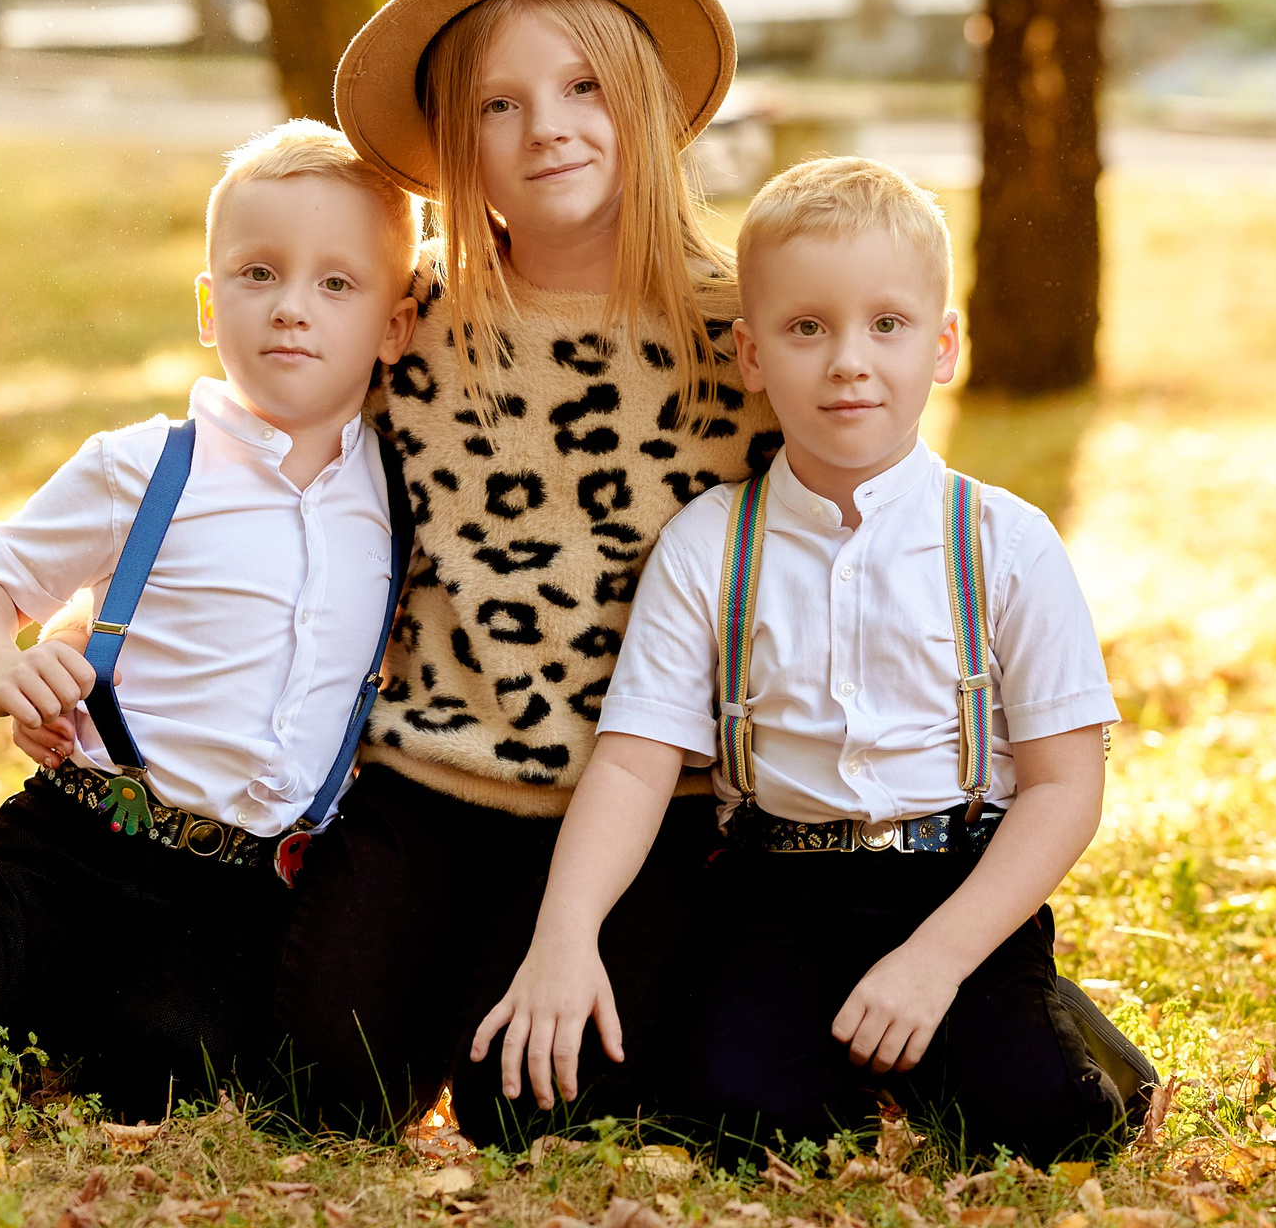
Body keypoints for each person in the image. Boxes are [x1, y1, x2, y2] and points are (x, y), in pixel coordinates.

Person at [472, 156, 1140, 1161]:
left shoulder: (1002, 539)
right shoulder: (711, 544)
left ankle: (1017, 1026)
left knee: (1046, 1123)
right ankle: (852, 1059)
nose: (848, 361)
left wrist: (936, 959)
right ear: (748, 353)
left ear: (944, 342)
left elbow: (1062, 787)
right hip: (774, 887)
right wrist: (564, 933)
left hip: (950, 882)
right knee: (749, 1126)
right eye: (805, 327)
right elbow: (635, 759)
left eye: (887, 323)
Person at [0, 121, 420, 1116]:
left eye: (338, 283)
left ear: (394, 324)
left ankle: (72, 1017)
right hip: (75, 846)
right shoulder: (147, 466)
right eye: (257, 273)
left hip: (237, 888)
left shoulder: (399, 498)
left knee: (170, 1081)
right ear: (210, 304)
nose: (292, 307)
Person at [279, 0, 780, 1142]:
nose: (546, 124)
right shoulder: (409, 317)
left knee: (537, 1118)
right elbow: (268, 473)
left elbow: (858, 555)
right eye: (497, 106)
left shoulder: (749, 333)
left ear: (646, 101)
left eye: (581, 84)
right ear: (456, 144)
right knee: (319, 1091)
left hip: (647, 808)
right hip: (428, 783)